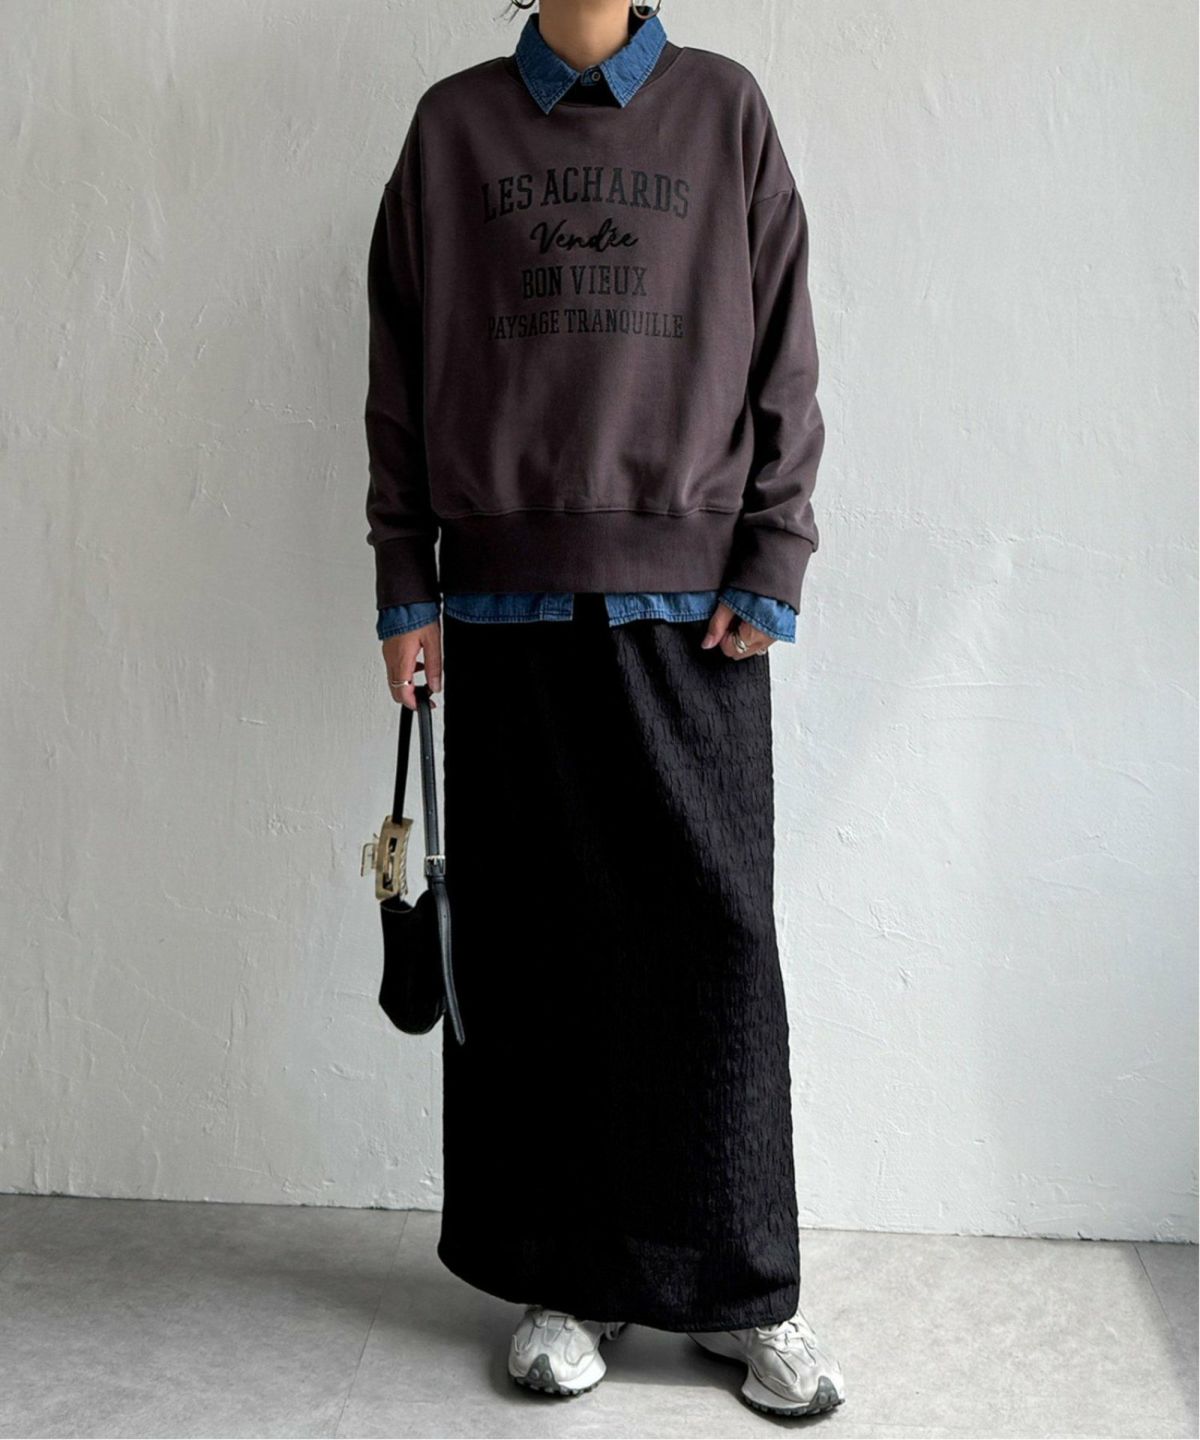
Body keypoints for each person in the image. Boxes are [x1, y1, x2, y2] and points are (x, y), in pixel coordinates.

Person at [363, 0, 846, 1419]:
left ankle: (739, 1288)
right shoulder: (453, 130)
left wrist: (775, 551)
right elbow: (398, 369)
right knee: (538, 949)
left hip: (695, 612)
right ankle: (571, 1279)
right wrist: (405, 581)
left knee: (714, 943)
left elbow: (786, 350)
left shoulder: (724, 111)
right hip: (502, 608)